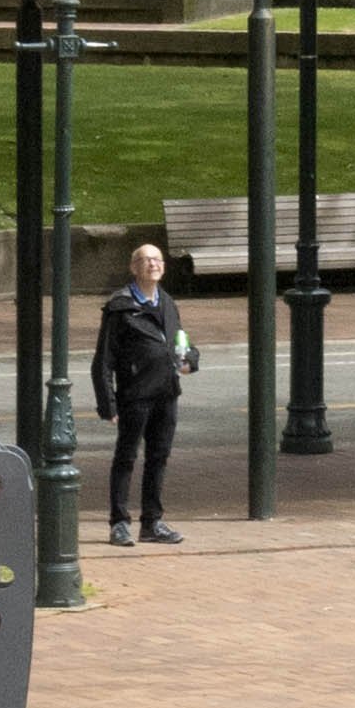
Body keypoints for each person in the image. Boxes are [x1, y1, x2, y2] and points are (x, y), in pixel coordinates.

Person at [93, 235, 195, 548]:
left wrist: (190, 359)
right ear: (134, 268)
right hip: (135, 395)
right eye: (146, 260)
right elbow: (103, 360)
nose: (153, 264)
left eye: (158, 260)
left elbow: (181, 342)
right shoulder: (120, 307)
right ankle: (119, 523)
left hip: (167, 393)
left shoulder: (167, 302)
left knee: (158, 457)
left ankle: (152, 522)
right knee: (126, 457)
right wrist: (108, 404)